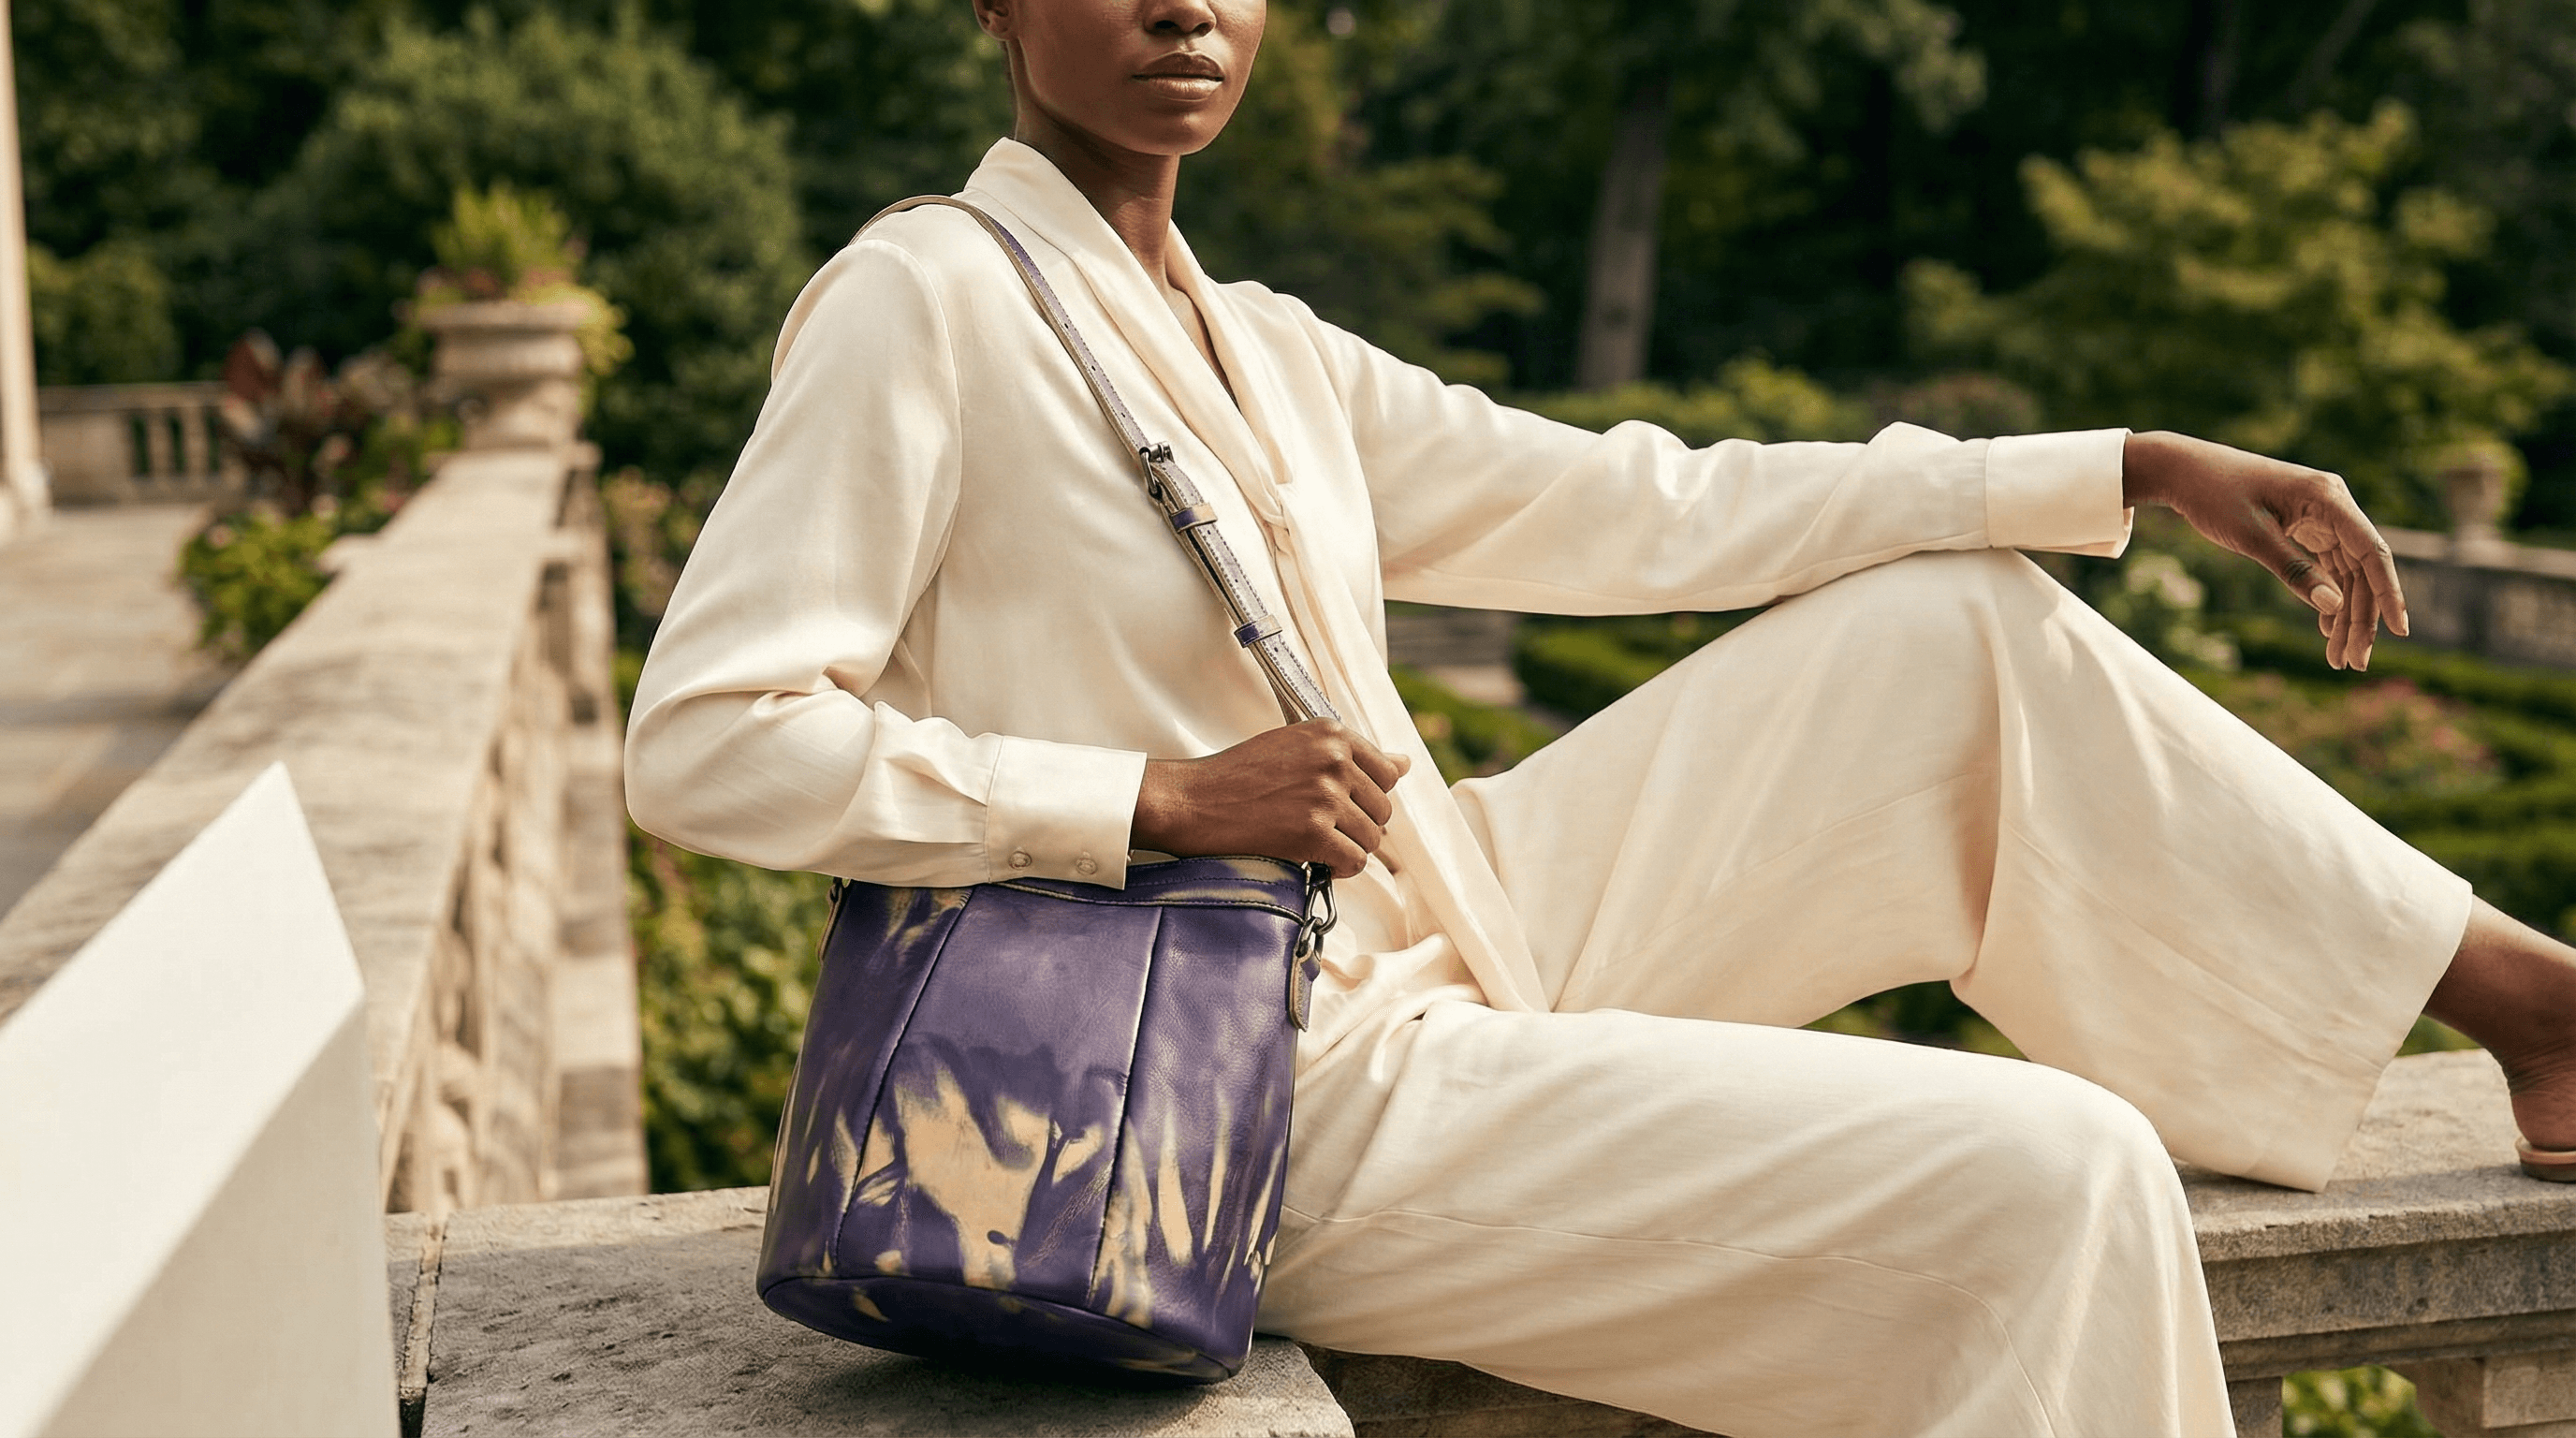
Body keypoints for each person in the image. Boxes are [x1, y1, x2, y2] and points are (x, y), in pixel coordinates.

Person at [622, 1, 2576, 1431]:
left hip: (1454, 928)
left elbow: (1654, 503)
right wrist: (1150, 797)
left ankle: (2527, 1005)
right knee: (2054, 1178)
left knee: (1951, 637)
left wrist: (2122, 468)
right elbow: (706, 737)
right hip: (1230, 1090)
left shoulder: (1262, 345)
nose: (1177, 6)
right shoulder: (922, 300)